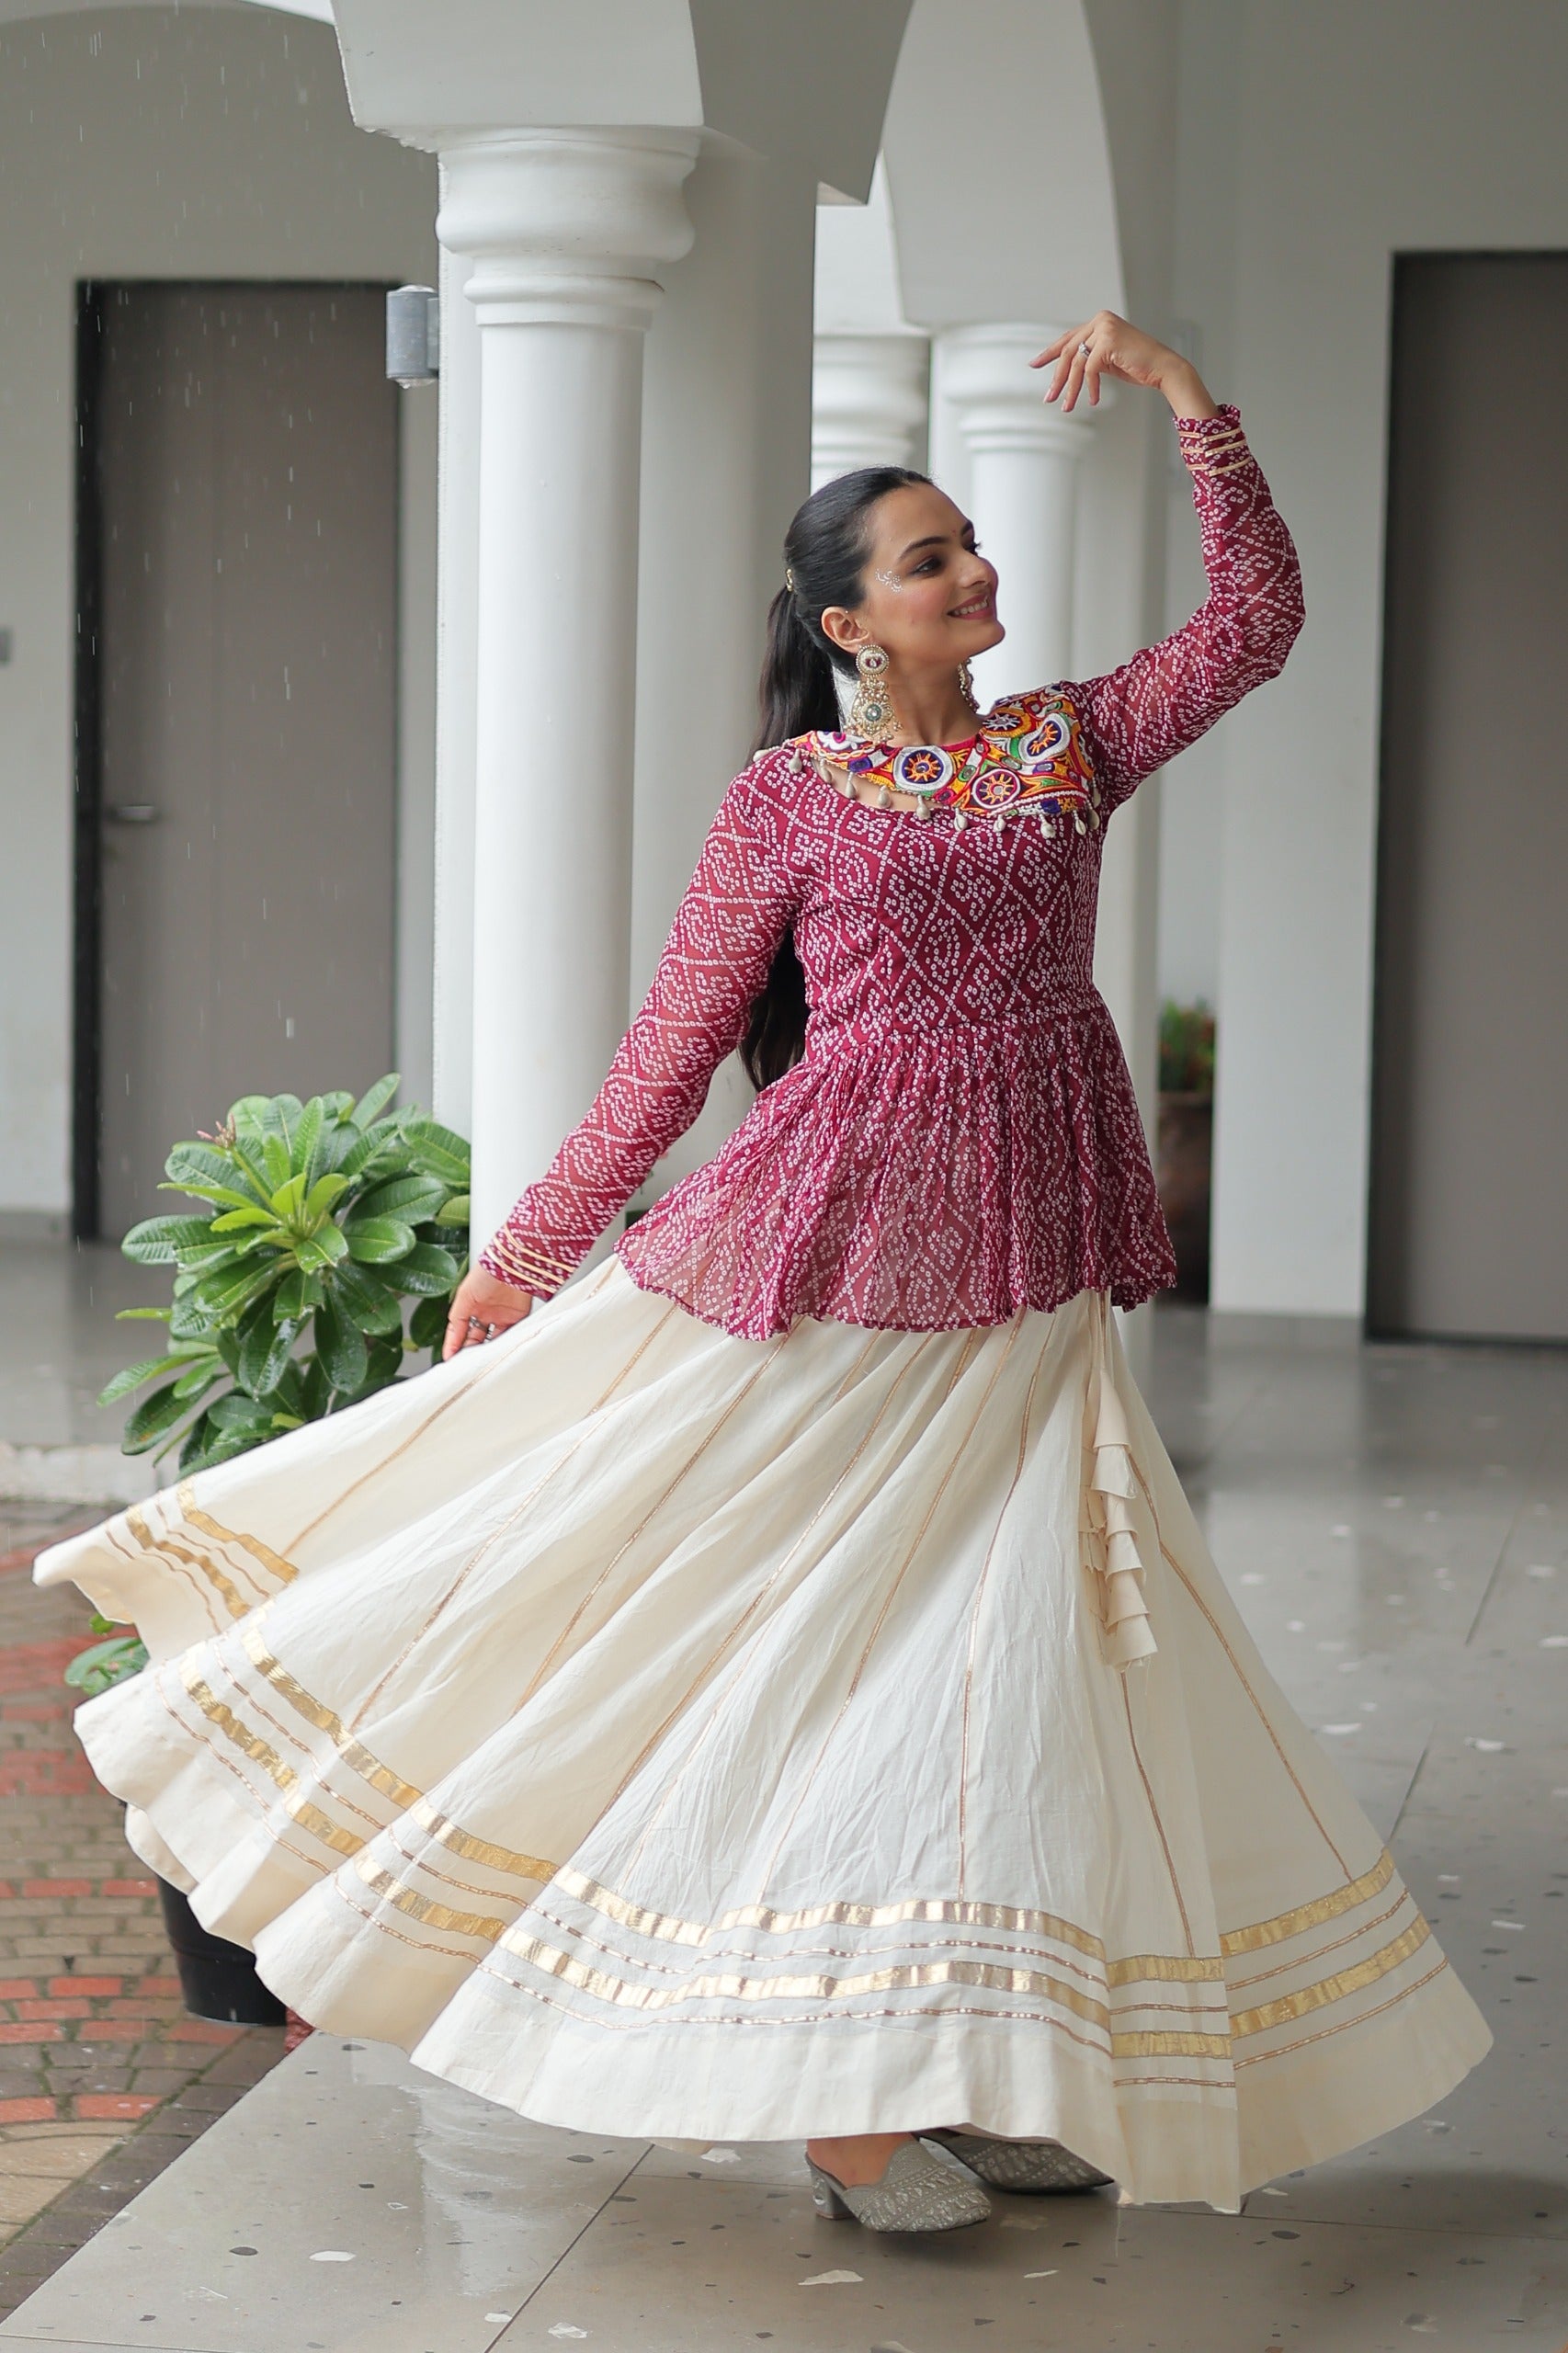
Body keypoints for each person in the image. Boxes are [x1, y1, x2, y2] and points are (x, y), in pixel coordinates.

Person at [39, 313, 1488, 2236]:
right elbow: (673, 1042)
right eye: (928, 557)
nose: (974, 570)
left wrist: (1186, 402)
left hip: (1036, 1272)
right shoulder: (786, 801)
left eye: (971, 540)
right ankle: (849, 2104)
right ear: (848, 625)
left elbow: (1257, 624)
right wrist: (539, 1246)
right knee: (832, 1654)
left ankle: (963, 2057)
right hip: (845, 1265)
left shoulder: (1063, 740)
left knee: (1016, 1673)